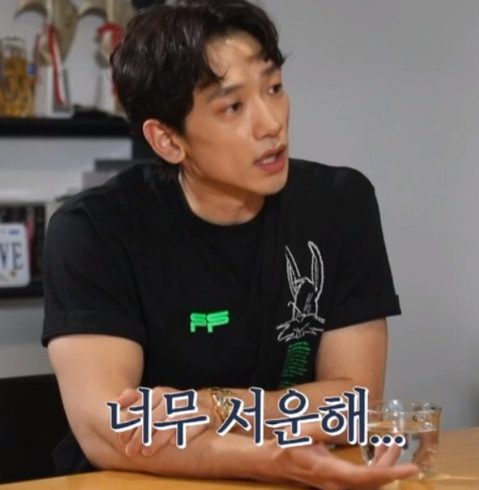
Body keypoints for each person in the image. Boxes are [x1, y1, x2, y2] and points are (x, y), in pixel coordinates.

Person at [42, 0, 419, 488]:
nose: (271, 123)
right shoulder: (94, 229)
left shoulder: (340, 204)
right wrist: (269, 455)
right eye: (233, 107)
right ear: (168, 140)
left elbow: (354, 405)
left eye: (274, 87)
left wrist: (213, 406)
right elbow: (111, 430)